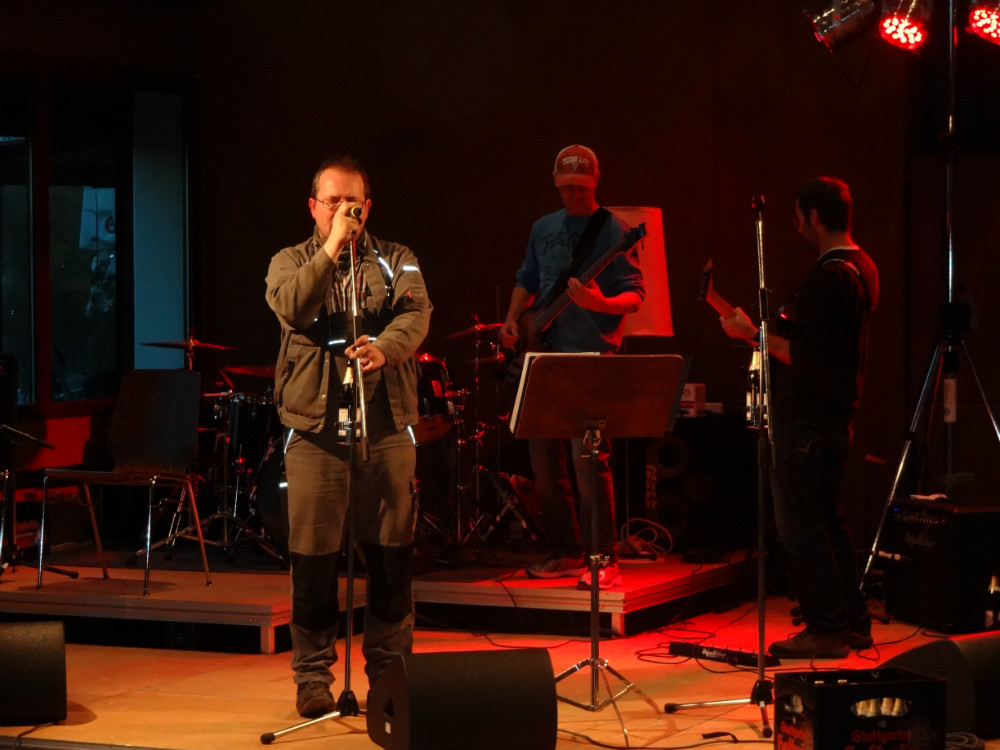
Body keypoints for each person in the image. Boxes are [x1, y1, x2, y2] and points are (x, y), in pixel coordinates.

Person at [265, 156, 432, 717]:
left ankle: (390, 674)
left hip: (385, 427)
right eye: (333, 201)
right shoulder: (289, 261)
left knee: (391, 558)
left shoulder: (398, 258)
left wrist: (385, 349)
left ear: (368, 206)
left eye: (352, 202)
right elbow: (293, 307)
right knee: (313, 562)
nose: (344, 211)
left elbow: (417, 313)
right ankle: (313, 677)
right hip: (314, 431)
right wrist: (333, 244)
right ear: (313, 206)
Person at [719, 176, 878, 659]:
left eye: (798, 217)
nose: (795, 226)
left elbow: (807, 357)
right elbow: (830, 344)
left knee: (800, 527)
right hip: (835, 416)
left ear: (813, 217)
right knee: (829, 520)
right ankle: (853, 622)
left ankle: (825, 629)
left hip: (807, 421)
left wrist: (753, 336)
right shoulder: (862, 266)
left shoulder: (829, 277)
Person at [498, 144, 644, 590]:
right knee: (544, 461)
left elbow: (634, 296)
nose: (573, 195)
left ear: (595, 182)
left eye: (580, 188)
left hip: (590, 356)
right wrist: (512, 318)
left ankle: (604, 556)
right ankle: (565, 550)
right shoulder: (543, 227)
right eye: (566, 188)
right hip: (543, 355)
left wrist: (598, 303)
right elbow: (526, 280)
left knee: (589, 459)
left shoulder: (614, 229)